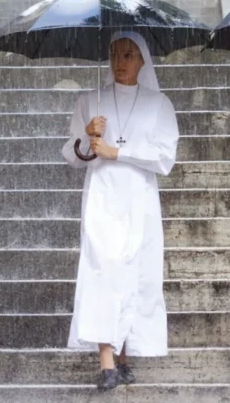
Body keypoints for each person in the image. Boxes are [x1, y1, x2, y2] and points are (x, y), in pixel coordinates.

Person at [62, 32, 179, 391]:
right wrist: (86, 136)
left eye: (129, 55)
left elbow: (164, 158)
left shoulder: (159, 104)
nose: (120, 62)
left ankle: (125, 355)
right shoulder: (90, 100)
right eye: (115, 54)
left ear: (143, 61)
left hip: (140, 199)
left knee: (136, 272)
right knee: (103, 270)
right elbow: (72, 154)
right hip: (103, 196)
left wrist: (119, 152)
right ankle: (107, 362)